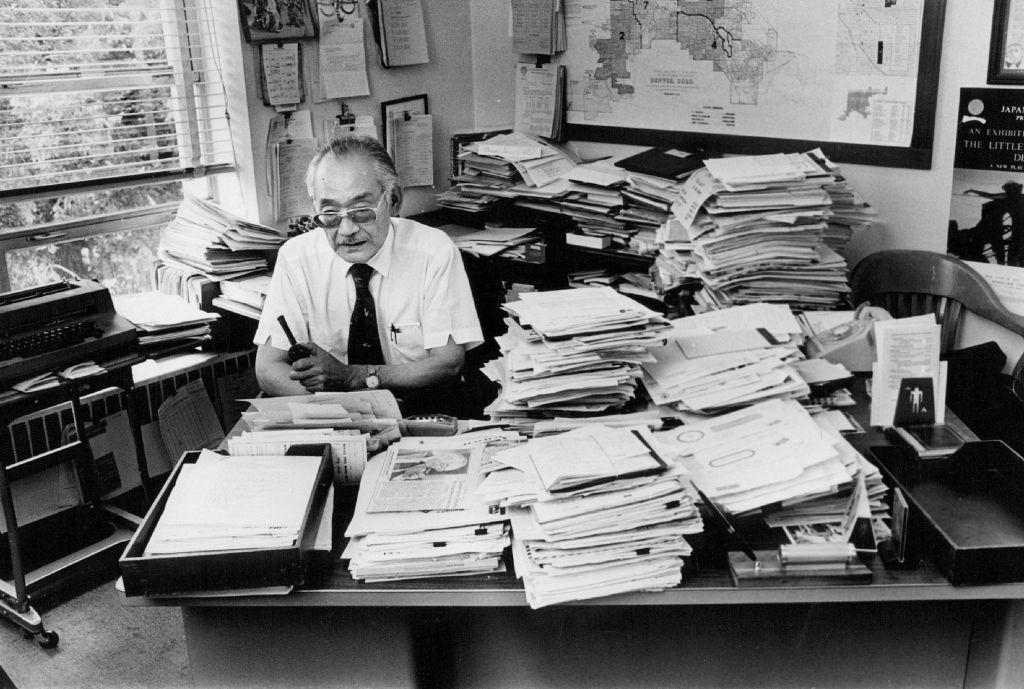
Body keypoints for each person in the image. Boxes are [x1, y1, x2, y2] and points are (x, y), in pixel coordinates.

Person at [253, 136, 484, 414]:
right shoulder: (297, 258)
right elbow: (267, 369)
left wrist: (354, 377)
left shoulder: (433, 251)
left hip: (423, 409)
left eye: (362, 211)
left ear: (394, 200)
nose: (347, 230)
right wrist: (342, 410)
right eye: (330, 214)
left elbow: (448, 364)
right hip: (335, 414)